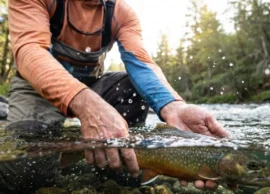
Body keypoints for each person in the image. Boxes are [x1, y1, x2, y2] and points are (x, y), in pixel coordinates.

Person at [3, 0, 230, 193]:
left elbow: (140, 64)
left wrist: (174, 107)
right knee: (25, 177)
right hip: (34, 88)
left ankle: (111, 165)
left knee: (131, 88)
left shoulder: (122, 12)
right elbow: (29, 51)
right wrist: (86, 105)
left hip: (92, 84)